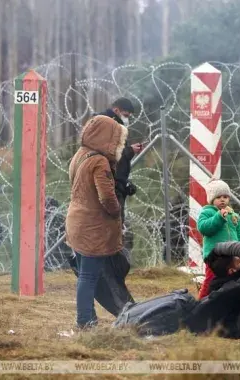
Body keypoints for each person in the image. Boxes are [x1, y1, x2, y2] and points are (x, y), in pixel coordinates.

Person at [66, 115, 133, 329]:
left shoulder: (81, 154)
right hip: (92, 226)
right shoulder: (100, 161)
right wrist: (116, 213)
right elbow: (107, 196)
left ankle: (88, 318)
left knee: (87, 274)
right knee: (88, 275)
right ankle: (85, 320)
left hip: (78, 220)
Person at [196, 178, 240, 299]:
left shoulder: (234, 216)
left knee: (229, 280)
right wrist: (218, 217)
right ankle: (200, 303)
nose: (222, 199)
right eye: (218, 197)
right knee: (211, 280)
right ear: (212, 199)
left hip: (232, 256)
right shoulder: (207, 212)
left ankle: (221, 301)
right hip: (215, 257)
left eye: (225, 197)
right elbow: (204, 228)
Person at [96, 97, 143, 225]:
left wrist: (124, 182)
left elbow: (117, 154)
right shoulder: (105, 124)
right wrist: (129, 151)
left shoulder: (115, 125)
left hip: (115, 184)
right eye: (125, 115)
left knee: (114, 229)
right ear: (116, 110)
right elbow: (107, 153)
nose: (127, 119)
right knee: (112, 229)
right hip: (109, 185)